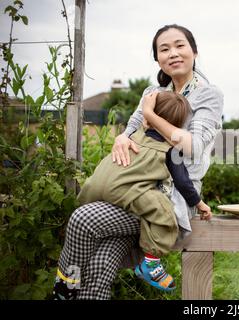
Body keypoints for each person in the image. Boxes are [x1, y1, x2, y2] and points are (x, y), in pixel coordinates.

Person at [53, 24, 224, 300]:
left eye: (180, 45)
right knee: (98, 271)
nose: (173, 53)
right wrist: (121, 138)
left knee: (83, 218)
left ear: (194, 51)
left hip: (170, 199)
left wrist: (150, 114)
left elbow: (192, 146)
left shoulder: (208, 94)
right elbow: (131, 129)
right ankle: (73, 289)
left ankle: (64, 284)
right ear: (157, 58)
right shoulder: (152, 91)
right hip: (130, 186)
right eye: (164, 49)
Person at [72, 91, 212, 295]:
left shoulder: (132, 135)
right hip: (125, 193)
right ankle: (151, 264)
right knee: (165, 213)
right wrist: (199, 204)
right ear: (178, 125)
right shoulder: (171, 150)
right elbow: (183, 182)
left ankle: (67, 279)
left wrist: (147, 115)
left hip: (94, 188)